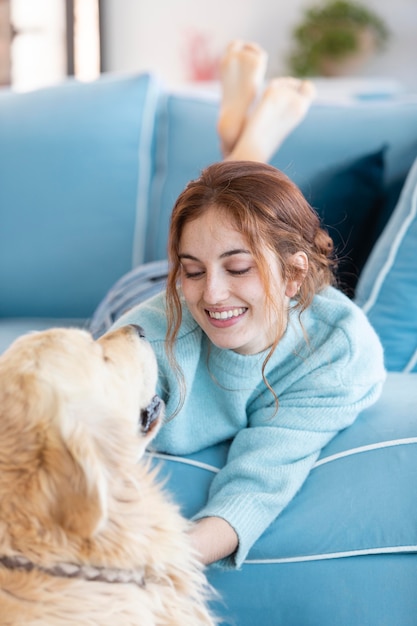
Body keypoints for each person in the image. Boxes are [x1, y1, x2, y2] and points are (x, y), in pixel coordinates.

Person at [104, 41, 386, 568]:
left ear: (295, 274)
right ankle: (246, 140)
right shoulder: (152, 332)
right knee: (216, 228)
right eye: (192, 270)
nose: (211, 292)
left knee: (224, 220)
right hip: (136, 291)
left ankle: (247, 139)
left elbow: (260, 483)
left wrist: (157, 568)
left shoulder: (336, 349)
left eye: (239, 270)